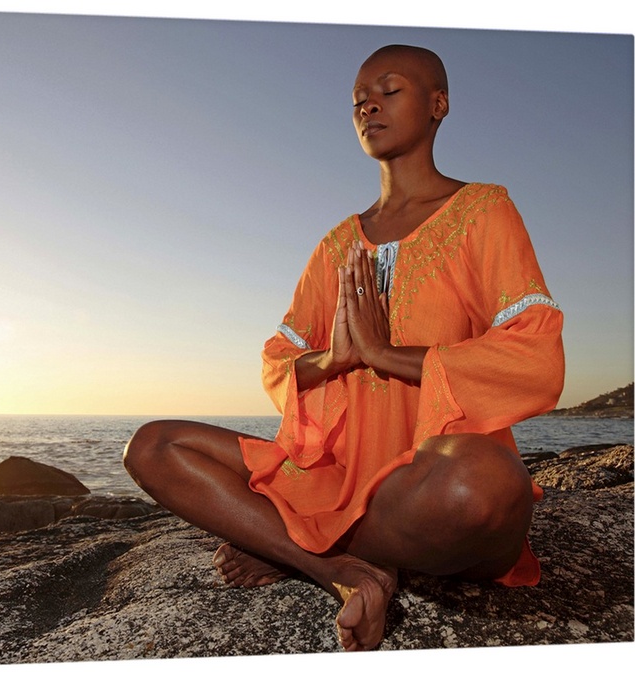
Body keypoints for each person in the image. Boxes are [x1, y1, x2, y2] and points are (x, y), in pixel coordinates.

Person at [122, 44, 564, 652]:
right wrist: (332, 361)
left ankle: (292, 544)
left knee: (482, 488)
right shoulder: (336, 246)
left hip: (423, 483)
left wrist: (387, 355)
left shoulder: (484, 211)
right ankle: (341, 569)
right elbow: (279, 356)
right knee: (153, 445)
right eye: (358, 101)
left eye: (388, 91)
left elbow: (534, 352)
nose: (368, 106)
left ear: (439, 105)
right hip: (333, 476)